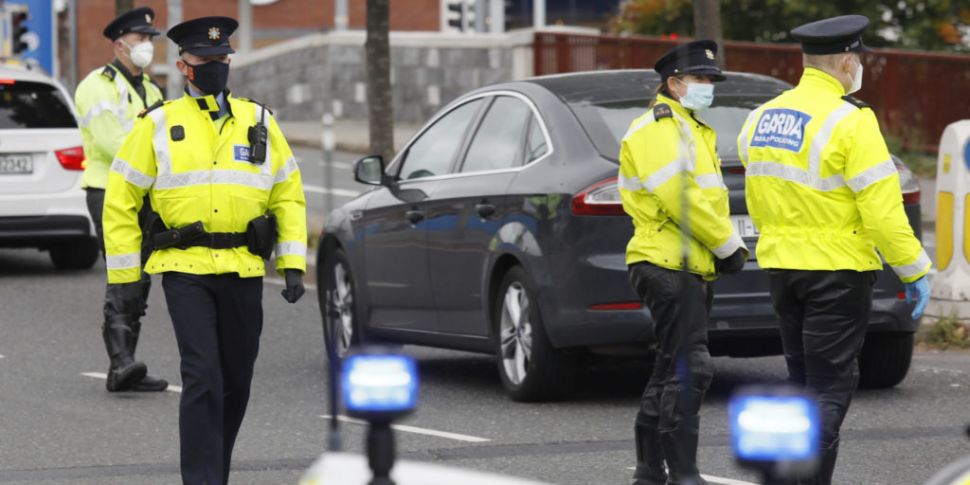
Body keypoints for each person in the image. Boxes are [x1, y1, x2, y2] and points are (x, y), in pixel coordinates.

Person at [101, 16, 308, 485]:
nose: (216, 66)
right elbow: (120, 202)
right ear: (184, 66)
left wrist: (293, 262)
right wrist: (126, 277)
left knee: (236, 381)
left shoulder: (259, 120)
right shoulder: (157, 124)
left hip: (242, 267)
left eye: (222, 59)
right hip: (184, 267)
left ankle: (217, 470)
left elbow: (287, 194)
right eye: (205, 60)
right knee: (202, 377)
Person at [736, 15, 932, 485]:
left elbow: (759, 188)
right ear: (847, 60)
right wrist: (914, 269)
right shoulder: (851, 120)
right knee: (828, 388)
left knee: (802, 384)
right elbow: (883, 211)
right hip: (837, 273)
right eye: (858, 59)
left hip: (782, 268)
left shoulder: (761, 117)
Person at [620, 40, 749, 485]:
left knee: (671, 365)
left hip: (684, 263)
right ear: (674, 84)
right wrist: (728, 244)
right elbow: (681, 199)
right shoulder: (660, 128)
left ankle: (650, 470)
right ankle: (685, 475)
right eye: (700, 79)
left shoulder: (688, 126)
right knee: (690, 366)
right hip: (667, 261)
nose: (708, 86)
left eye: (711, 79)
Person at [74, 6, 168, 392]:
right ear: (119, 44)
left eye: (150, 39)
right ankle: (121, 362)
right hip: (109, 190)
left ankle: (125, 366)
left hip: (146, 193)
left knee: (141, 277)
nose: (147, 45)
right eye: (141, 39)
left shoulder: (152, 89)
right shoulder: (97, 85)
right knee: (123, 271)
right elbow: (111, 143)